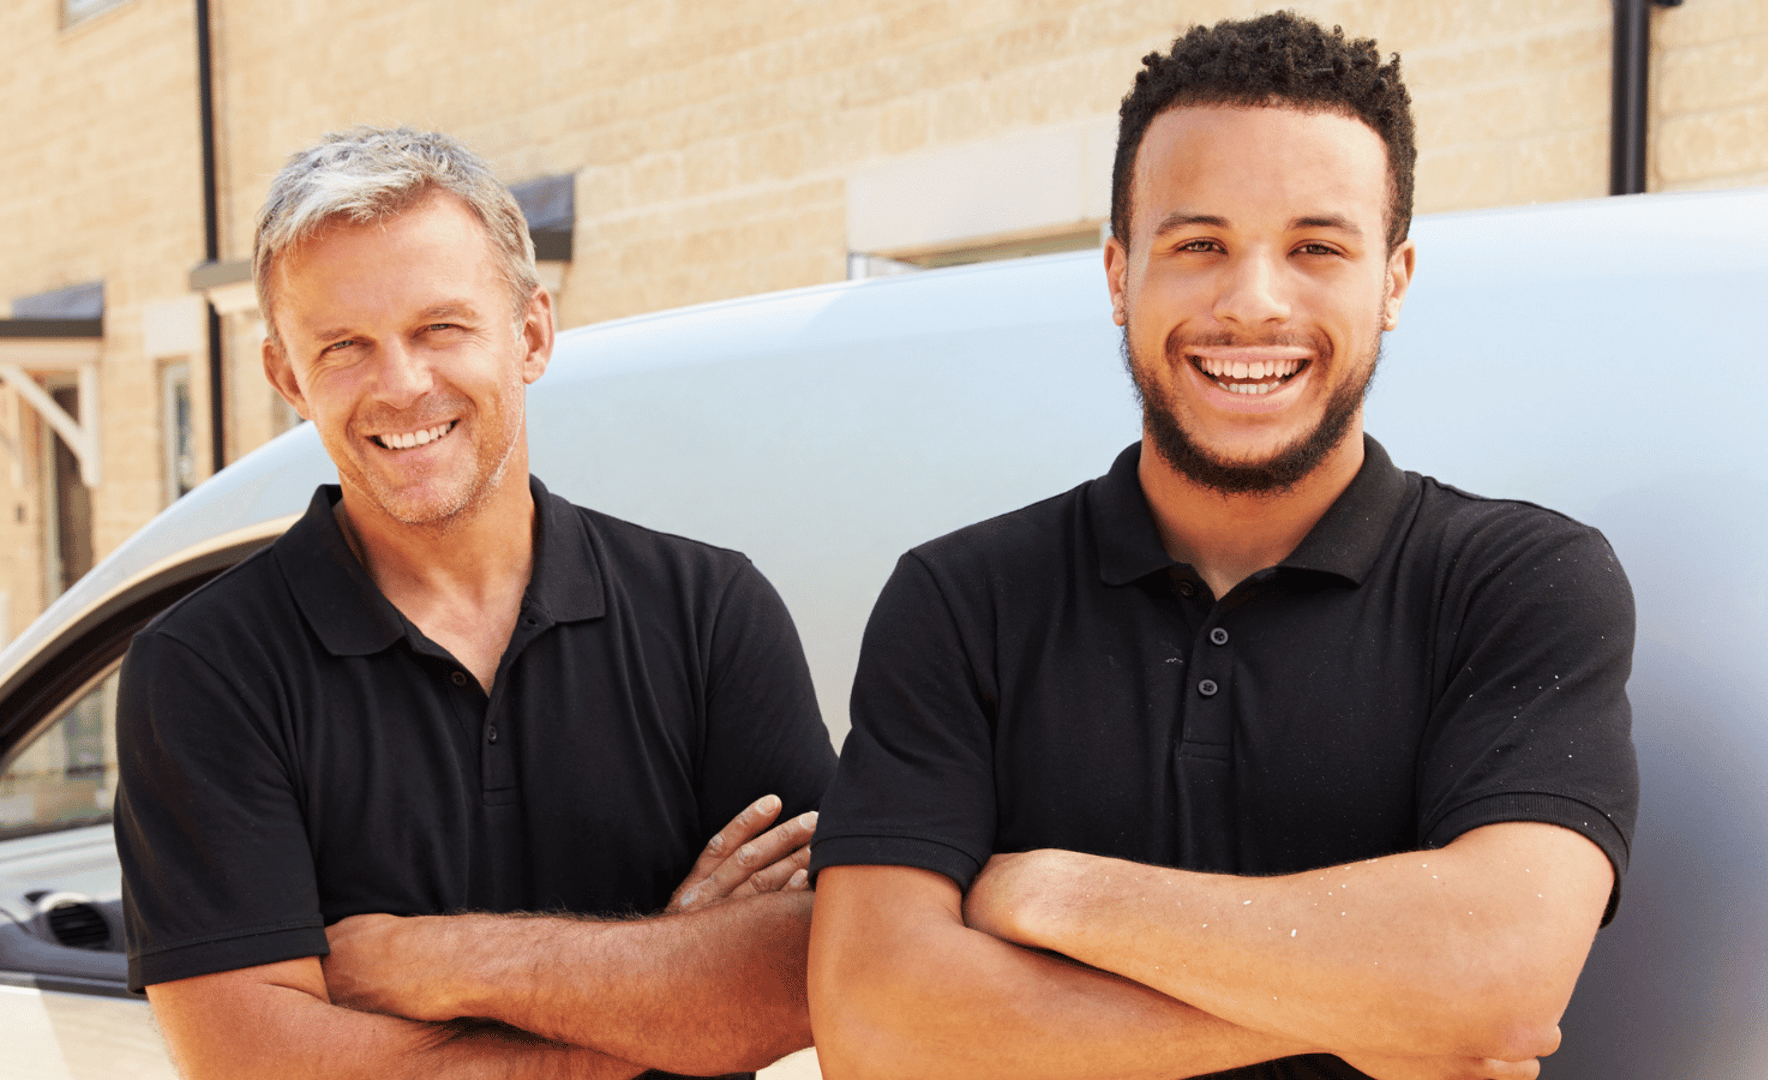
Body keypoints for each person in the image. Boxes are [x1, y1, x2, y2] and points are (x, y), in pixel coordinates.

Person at [807, 12, 1637, 1080]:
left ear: (1394, 280)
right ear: (1118, 275)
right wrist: (1383, 1007)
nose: (1253, 303)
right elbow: (879, 1028)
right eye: (1199, 244)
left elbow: (1500, 978)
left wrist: (1056, 894)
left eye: (1316, 247)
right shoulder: (962, 600)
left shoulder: (1519, 583)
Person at [114, 127, 836, 1079]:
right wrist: (667, 972)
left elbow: (804, 976)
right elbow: (259, 1062)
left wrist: (434, 960)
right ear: (287, 376)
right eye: (343, 346)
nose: (402, 384)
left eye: (440, 328)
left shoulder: (709, 613)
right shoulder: (206, 671)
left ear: (530, 334)